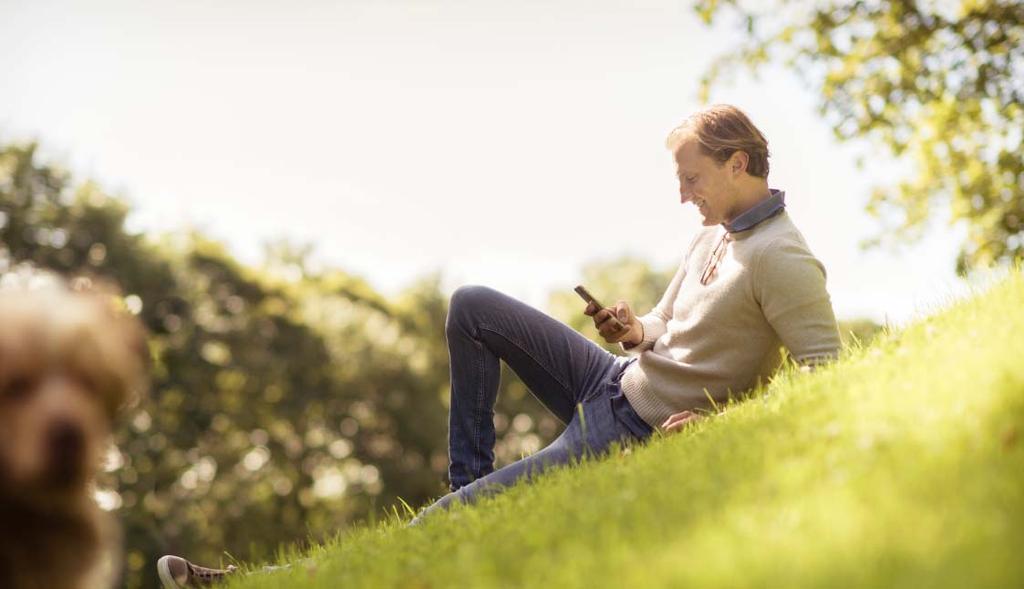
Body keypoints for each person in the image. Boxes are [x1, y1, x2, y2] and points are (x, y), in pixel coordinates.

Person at [155, 104, 841, 587]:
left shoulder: (783, 258)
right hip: (616, 377)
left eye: (692, 178)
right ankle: (470, 489)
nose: (684, 194)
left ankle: (259, 580)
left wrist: (717, 426)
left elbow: (824, 372)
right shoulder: (717, 230)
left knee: (434, 524)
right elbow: (666, 322)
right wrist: (635, 330)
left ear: (739, 163)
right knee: (473, 307)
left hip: (636, 425)